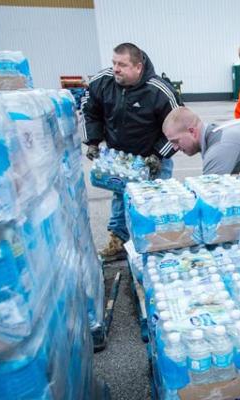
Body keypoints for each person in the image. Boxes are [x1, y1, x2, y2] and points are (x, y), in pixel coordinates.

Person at [82, 42, 182, 261]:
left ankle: (158, 247)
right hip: (121, 161)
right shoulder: (102, 82)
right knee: (120, 199)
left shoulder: (160, 90)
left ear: (138, 67)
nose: (116, 69)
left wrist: (158, 154)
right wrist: (92, 141)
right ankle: (117, 242)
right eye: (114, 63)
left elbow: (179, 128)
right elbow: (90, 111)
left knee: (155, 204)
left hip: (152, 160)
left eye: (123, 65)